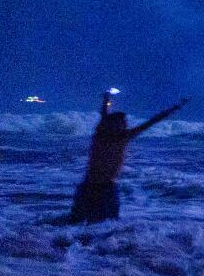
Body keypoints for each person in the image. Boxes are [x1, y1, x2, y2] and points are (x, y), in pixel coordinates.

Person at [69, 91, 187, 223]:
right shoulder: (100, 135)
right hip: (89, 186)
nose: (124, 125)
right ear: (111, 124)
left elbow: (151, 122)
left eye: (124, 123)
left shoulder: (125, 137)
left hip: (108, 187)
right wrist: (106, 100)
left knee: (107, 226)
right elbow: (104, 115)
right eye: (120, 123)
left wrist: (174, 108)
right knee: (75, 223)